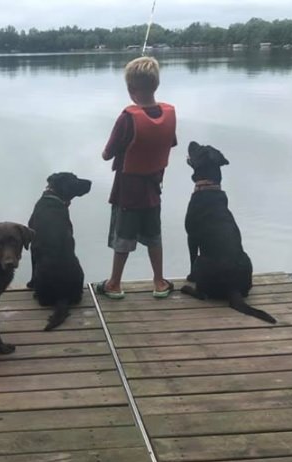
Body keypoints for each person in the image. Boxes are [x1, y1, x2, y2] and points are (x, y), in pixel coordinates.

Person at [95, 56, 177, 299]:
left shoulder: (127, 118)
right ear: (156, 85)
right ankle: (159, 282)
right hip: (153, 190)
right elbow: (170, 142)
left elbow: (107, 154)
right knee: (154, 236)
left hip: (127, 192)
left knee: (123, 238)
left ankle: (114, 284)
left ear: (130, 89)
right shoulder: (169, 113)